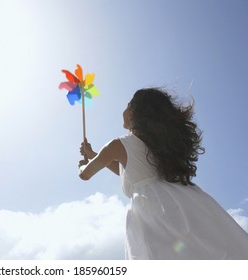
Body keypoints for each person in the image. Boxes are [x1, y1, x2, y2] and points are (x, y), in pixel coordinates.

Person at [78, 87, 248, 259]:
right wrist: (92, 154)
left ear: (133, 112)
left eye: (127, 105)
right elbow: (130, 172)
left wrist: (83, 166)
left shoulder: (118, 144)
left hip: (152, 210)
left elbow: (86, 174)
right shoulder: (156, 145)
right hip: (184, 201)